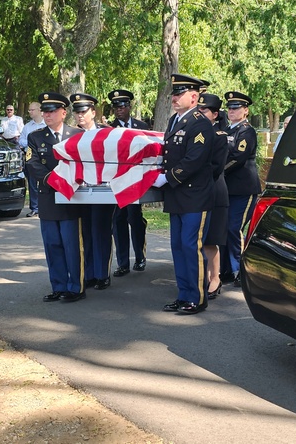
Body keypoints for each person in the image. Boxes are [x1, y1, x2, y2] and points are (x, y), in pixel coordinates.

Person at [155, 74, 215, 314]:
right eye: (174, 93)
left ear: (194, 96)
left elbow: (195, 159)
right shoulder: (173, 120)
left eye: (179, 94)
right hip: (177, 195)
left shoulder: (200, 122)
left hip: (194, 196)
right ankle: (183, 295)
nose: (174, 98)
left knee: (191, 246)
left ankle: (198, 298)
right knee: (178, 247)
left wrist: (168, 177)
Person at [26, 92, 86, 302]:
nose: (47, 115)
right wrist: (55, 179)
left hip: (72, 197)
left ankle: (75, 287)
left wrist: (69, 181)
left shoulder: (77, 135)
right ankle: (59, 286)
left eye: (51, 111)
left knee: (72, 245)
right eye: (44, 111)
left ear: (63, 112)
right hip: (49, 195)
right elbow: (32, 163)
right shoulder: (36, 136)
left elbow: (84, 163)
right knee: (52, 244)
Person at [71, 92, 114, 290]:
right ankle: (89, 273)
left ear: (93, 112)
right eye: (76, 112)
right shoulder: (70, 134)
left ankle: (102, 273)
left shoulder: (106, 132)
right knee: (85, 232)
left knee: (101, 231)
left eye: (83, 111)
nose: (80, 115)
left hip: (102, 189)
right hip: (79, 191)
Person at [108, 89, 150, 277]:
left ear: (129, 106)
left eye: (123, 106)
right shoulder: (108, 129)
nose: (119, 110)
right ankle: (123, 263)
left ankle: (140, 257)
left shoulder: (141, 126)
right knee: (118, 221)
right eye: (116, 107)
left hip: (136, 180)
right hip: (117, 181)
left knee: (135, 219)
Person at [221, 91, 261, 287]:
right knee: (225, 228)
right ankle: (228, 269)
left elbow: (238, 157)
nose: (231, 111)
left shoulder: (246, 131)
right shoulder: (227, 130)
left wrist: (220, 171)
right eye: (229, 107)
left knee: (234, 229)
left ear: (245, 111)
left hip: (243, 188)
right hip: (229, 189)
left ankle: (241, 269)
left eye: (236, 108)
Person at [198, 93, 229, 299]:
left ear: (215, 114)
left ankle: (215, 279)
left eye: (204, 110)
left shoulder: (219, 136)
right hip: (196, 193)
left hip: (214, 192)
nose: (200, 113)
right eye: (198, 109)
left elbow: (216, 168)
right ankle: (202, 278)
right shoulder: (193, 132)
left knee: (210, 240)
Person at [19, 102, 45, 217]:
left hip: (45, 158)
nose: (29, 112)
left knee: (46, 183)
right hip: (31, 158)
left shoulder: (47, 124)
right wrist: (33, 143)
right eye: (29, 110)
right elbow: (21, 141)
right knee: (33, 184)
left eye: (32, 110)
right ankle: (35, 207)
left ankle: (45, 207)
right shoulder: (27, 126)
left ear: (39, 110)